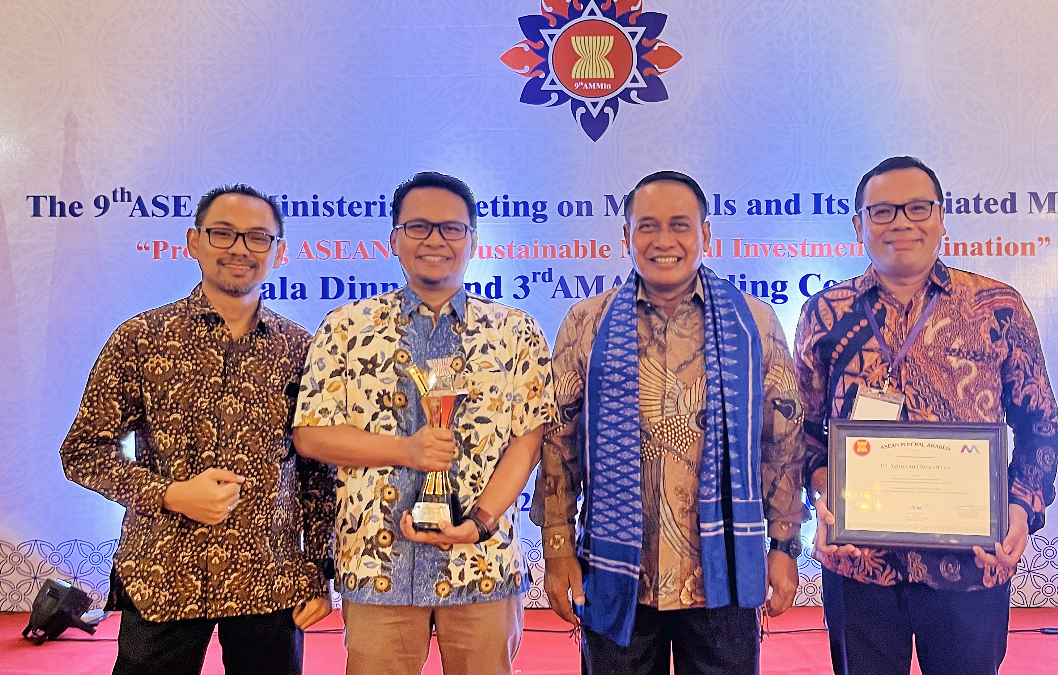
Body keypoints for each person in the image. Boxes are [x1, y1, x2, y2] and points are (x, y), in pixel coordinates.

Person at [793, 156, 1058, 675]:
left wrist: (1019, 508)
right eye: (883, 211)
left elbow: (1040, 425)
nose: (901, 222)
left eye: (917, 208)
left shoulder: (997, 307)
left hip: (972, 562)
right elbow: (800, 432)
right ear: (858, 225)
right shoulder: (825, 313)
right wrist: (824, 493)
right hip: (858, 563)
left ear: (941, 218)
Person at [532, 170, 808, 675]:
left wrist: (785, 545)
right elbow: (559, 443)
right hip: (617, 574)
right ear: (626, 236)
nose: (664, 241)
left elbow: (782, 442)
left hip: (724, 572)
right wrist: (557, 548)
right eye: (647, 226)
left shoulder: (755, 322)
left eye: (680, 225)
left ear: (706, 234)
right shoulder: (586, 323)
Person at [60, 184, 335, 675]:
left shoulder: (301, 349)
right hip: (163, 573)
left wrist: (319, 568)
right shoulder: (142, 339)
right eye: (223, 233)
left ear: (279, 252)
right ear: (194, 241)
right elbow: (83, 451)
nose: (240, 249)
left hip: (268, 578)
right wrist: (170, 494)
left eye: (257, 237)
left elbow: (317, 471)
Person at [292, 171, 555, 675]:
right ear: (394, 239)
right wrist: (405, 451)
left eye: (451, 228)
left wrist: (479, 522)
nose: (435, 240)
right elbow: (310, 434)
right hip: (377, 562)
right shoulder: (347, 326)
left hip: (482, 564)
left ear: (473, 241)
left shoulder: (514, 331)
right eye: (418, 227)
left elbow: (527, 442)